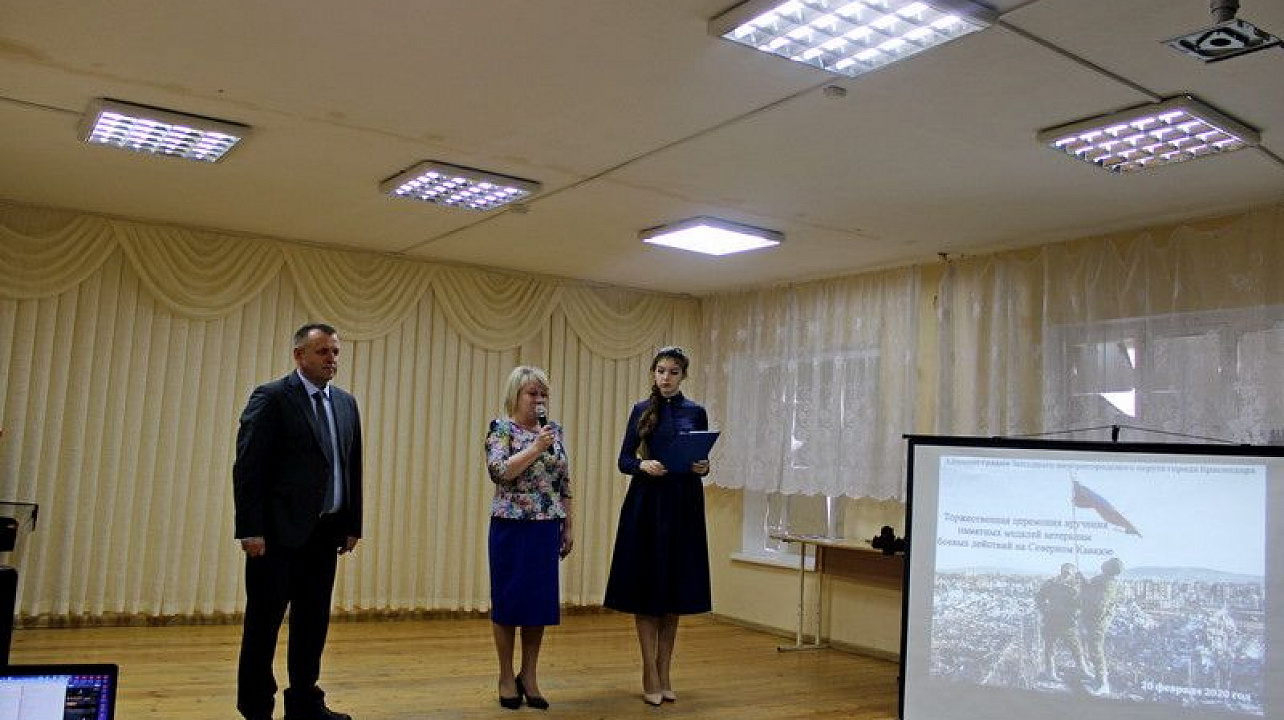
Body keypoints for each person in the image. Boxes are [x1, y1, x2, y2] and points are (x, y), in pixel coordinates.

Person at [233, 323, 363, 720]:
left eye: (335, 352)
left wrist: (352, 522)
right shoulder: (272, 397)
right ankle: (256, 707)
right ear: (299, 355)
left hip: (325, 533)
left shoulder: (346, 403)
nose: (331, 359)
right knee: (264, 624)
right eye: (322, 352)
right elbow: (249, 467)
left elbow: (351, 467)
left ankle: (305, 701)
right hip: (276, 535)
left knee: (312, 623)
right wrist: (250, 529)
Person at [603, 346, 712, 706]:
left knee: (674, 590)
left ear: (683, 376)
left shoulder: (696, 411)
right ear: (653, 373)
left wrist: (703, 467)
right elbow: (623, 459)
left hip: (683, 506)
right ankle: (649, 671)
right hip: (648, 505)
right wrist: (642, 465)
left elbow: (700, 458)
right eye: (661, 371)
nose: (666, 377)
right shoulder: (640, 410)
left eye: (673, 372)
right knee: (647, 589)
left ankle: (665, 671)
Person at [484, 366, 574, 711]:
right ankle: (506, 675)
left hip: (545, 526)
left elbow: (564, 482)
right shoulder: (501, 429)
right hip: (511, 526)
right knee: (509, 602)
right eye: (532, 393)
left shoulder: (553, 431)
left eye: (543, 394)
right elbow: (500, 472)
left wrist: (568, 525)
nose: (538, 400)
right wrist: (536, 447)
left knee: (538, 605)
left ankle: (530, 675)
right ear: (516, 395)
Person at [1035, 563, 1087, 682]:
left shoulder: (1077, 586)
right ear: (1061, 571)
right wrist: (1045, 610)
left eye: (1068, 573)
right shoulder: (1051, 583)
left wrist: (1080, 589)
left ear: (1073, 574)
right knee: (1050, 647)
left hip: (1068, 622)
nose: (1066, 575)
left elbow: (1083, 603)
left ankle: (1083, 670)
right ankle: (1050, 672)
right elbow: (1039, 597)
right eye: (1064, 572)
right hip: (1051, 619)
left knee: (1076, 647)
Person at [1080, 557, 1124, 693]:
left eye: (1108, 564)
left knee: (1096, 650)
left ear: (1110, 568)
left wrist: (1085, 592)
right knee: (1093, 649)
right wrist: (1083, 581)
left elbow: (1098, 603)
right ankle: (1098, 678)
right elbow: (1091, 588)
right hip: (1093, 619)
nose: (1104, 564)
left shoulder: (1109, 583)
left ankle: (1103, 683)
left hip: (1097, 621)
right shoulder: (1103, 579)